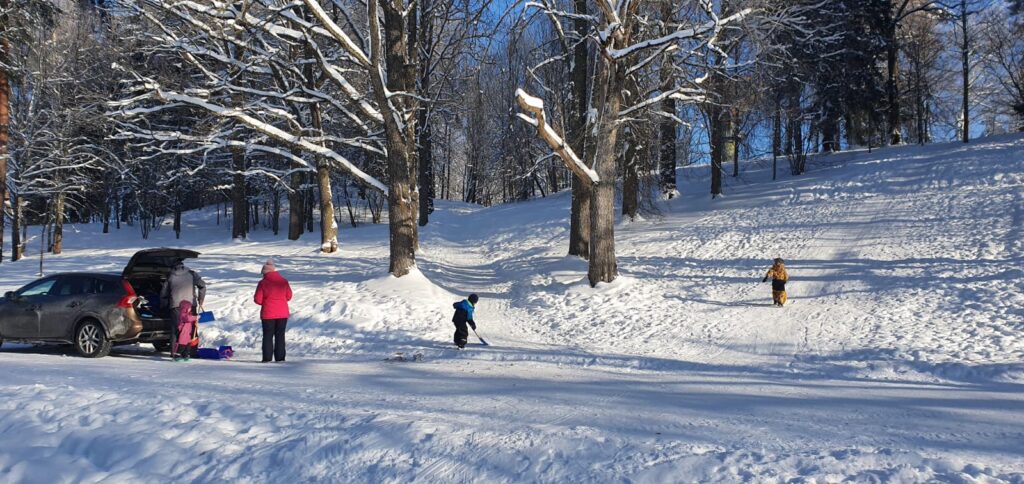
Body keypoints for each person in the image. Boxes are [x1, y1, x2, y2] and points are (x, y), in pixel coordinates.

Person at [161, 261, 207, 361]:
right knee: (191, 329)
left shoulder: (170, 276)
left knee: (176, 330)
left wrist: (164, 305)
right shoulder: (192, 274)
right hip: (191, 305)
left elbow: (164, 293)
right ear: (183, 266)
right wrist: (200, 300)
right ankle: (191, 352)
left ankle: (174, 353)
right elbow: (202, 286)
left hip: (176, 307)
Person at [254, 259, 292, 363]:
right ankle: (280, 358)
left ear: (265, 272)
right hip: (282, 313)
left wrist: (267, 302)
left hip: (268, 313)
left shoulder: (262, 283)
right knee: (280, 336)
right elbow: (289, 296)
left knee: (268, 336)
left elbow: (258, 299)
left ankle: (267, 358)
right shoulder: (284, 281)